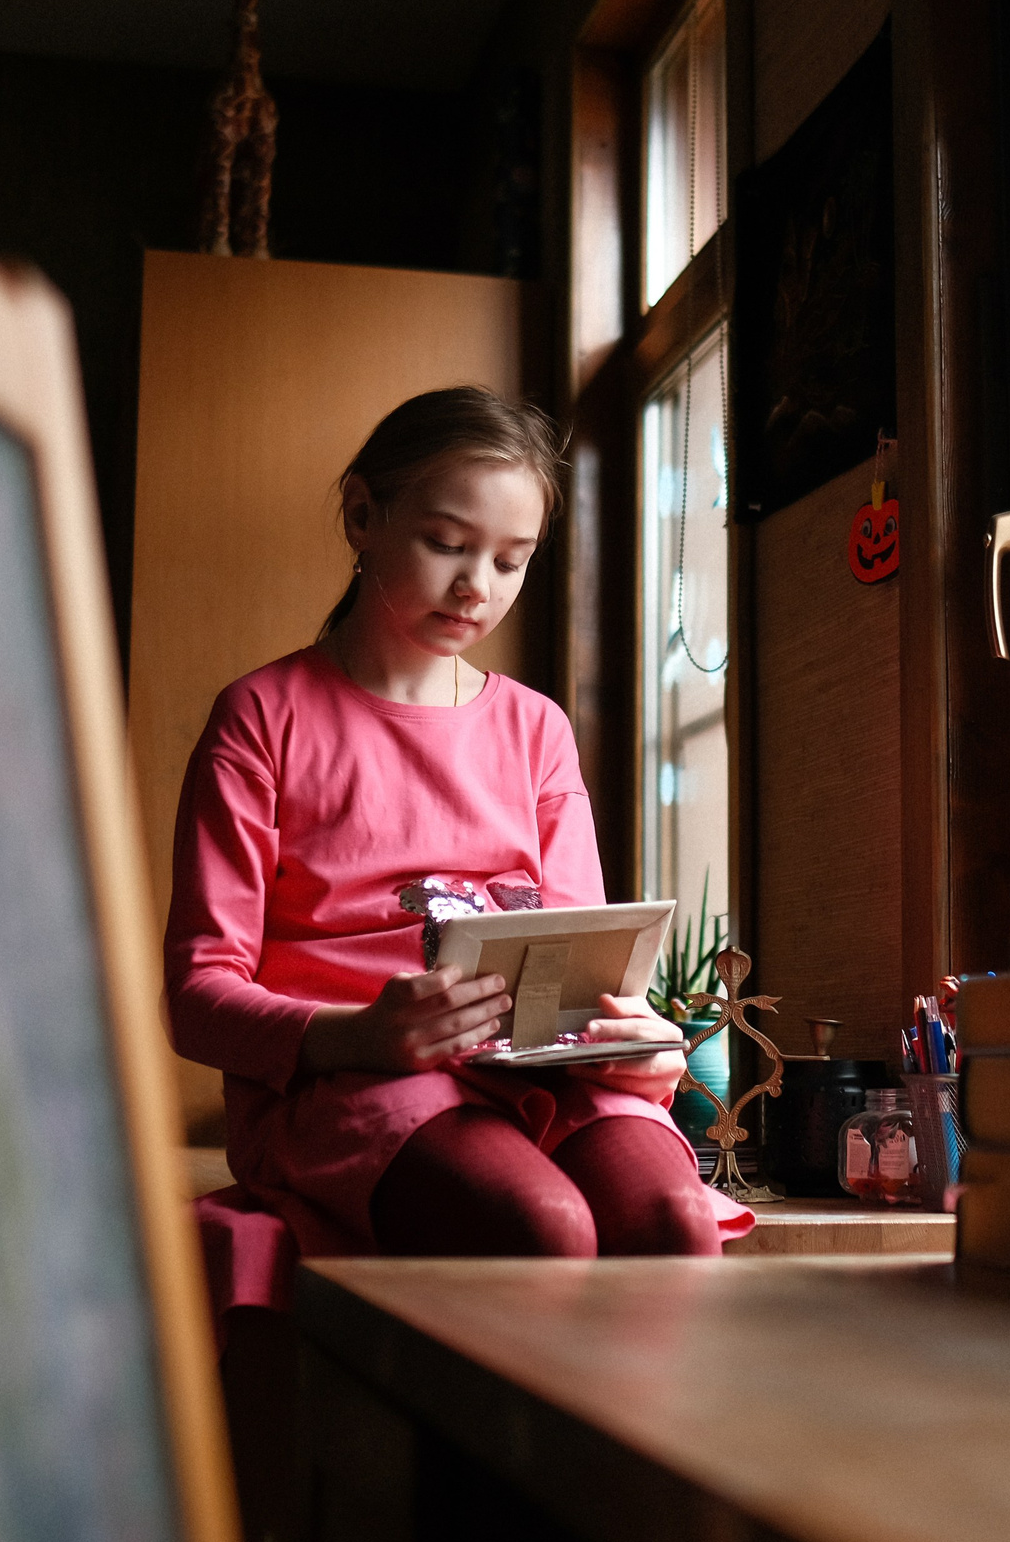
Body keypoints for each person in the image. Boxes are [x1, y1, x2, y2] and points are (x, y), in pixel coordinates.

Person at [164, 385, 750, 1258]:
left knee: (671, 1218)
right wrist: (358, 1033)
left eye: (512, 561)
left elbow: (582, 962)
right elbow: (198, 997)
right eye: (447, 544)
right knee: (540, 1226)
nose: (478, 586)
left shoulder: (536, 729)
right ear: (363, 515)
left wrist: (646, 1040)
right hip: (351, 1083)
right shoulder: (262, 716)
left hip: (527, 1074)